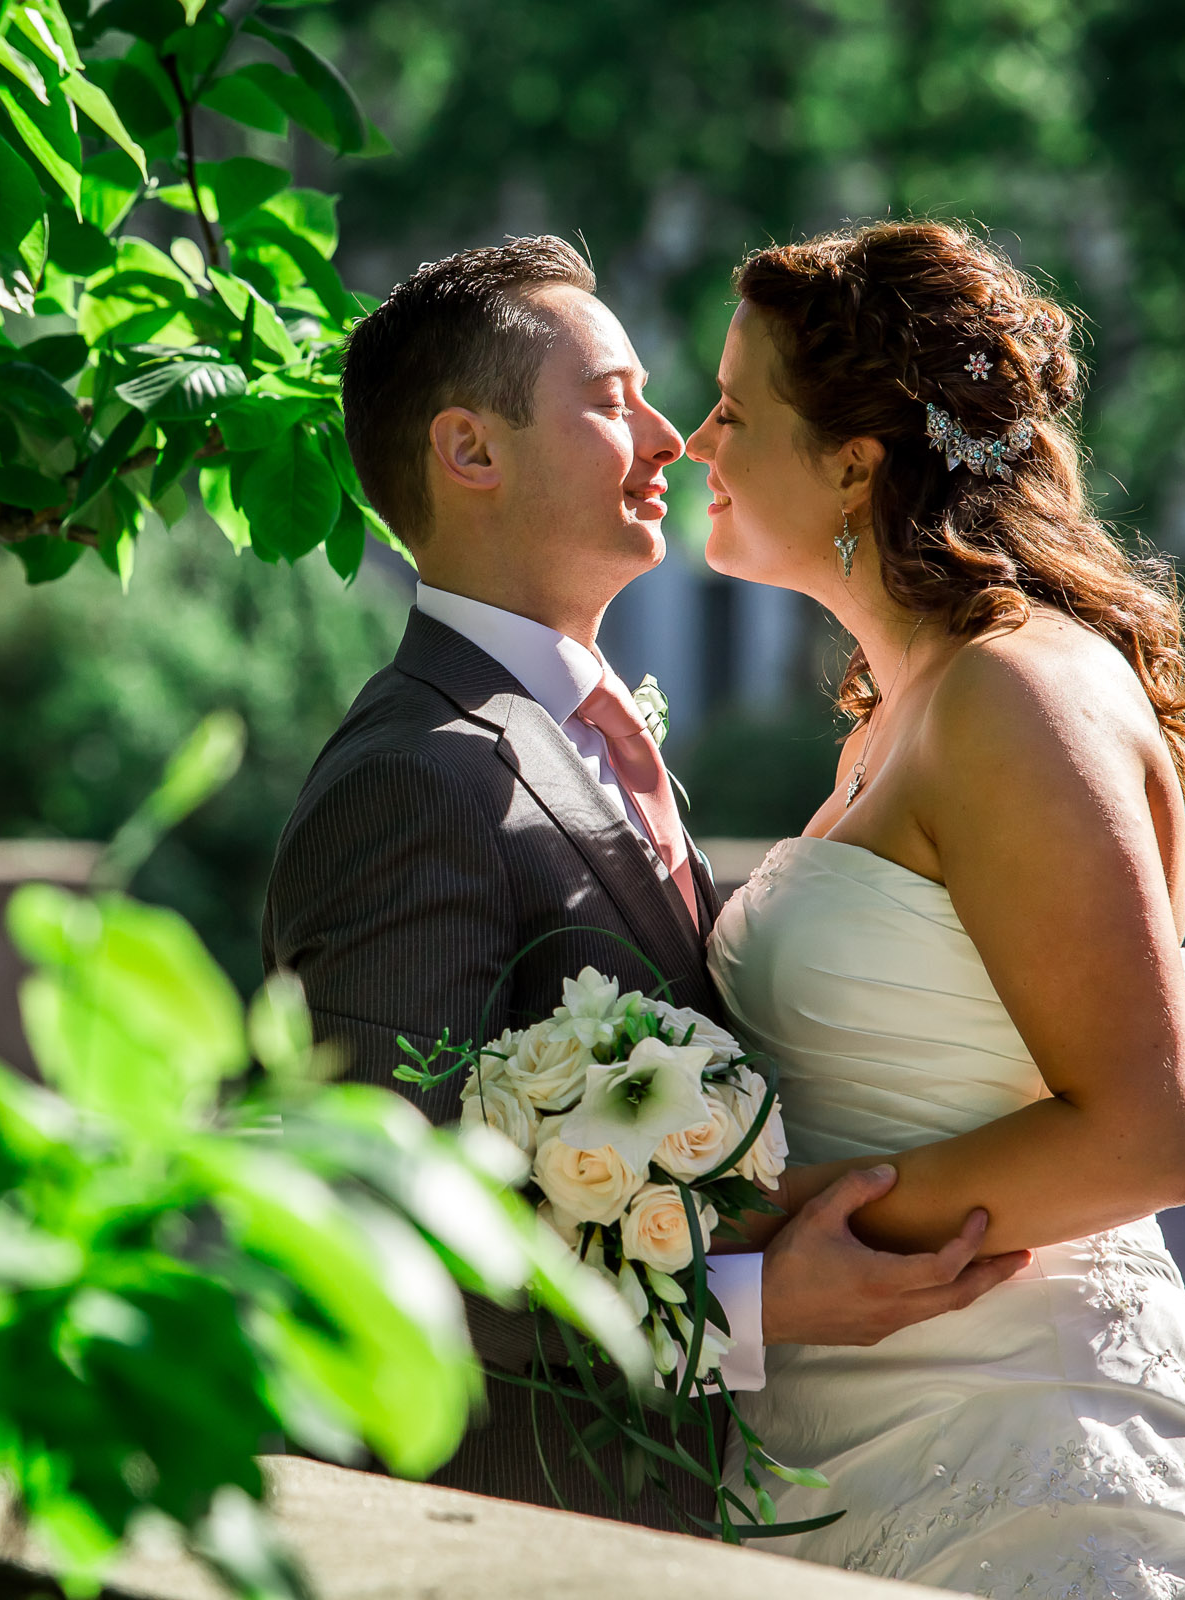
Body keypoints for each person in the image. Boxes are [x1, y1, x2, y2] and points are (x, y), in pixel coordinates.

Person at [262, 236, 1024, 1528]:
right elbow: (382, 1243)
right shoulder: (417, 782)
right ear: (472, 452)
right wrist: (760, 1310)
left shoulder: (593, 739)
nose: (675, 441)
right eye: (615, 401)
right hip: (512, 1531)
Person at [687, 221, 1185, 1596]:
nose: (691, 444)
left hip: (1032, 1470)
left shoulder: (1016, 694)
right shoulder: (898, 715)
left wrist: (766, 1221)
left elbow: (1147, 1134)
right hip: (843, 1463)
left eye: (732, 409)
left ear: (853, 458)